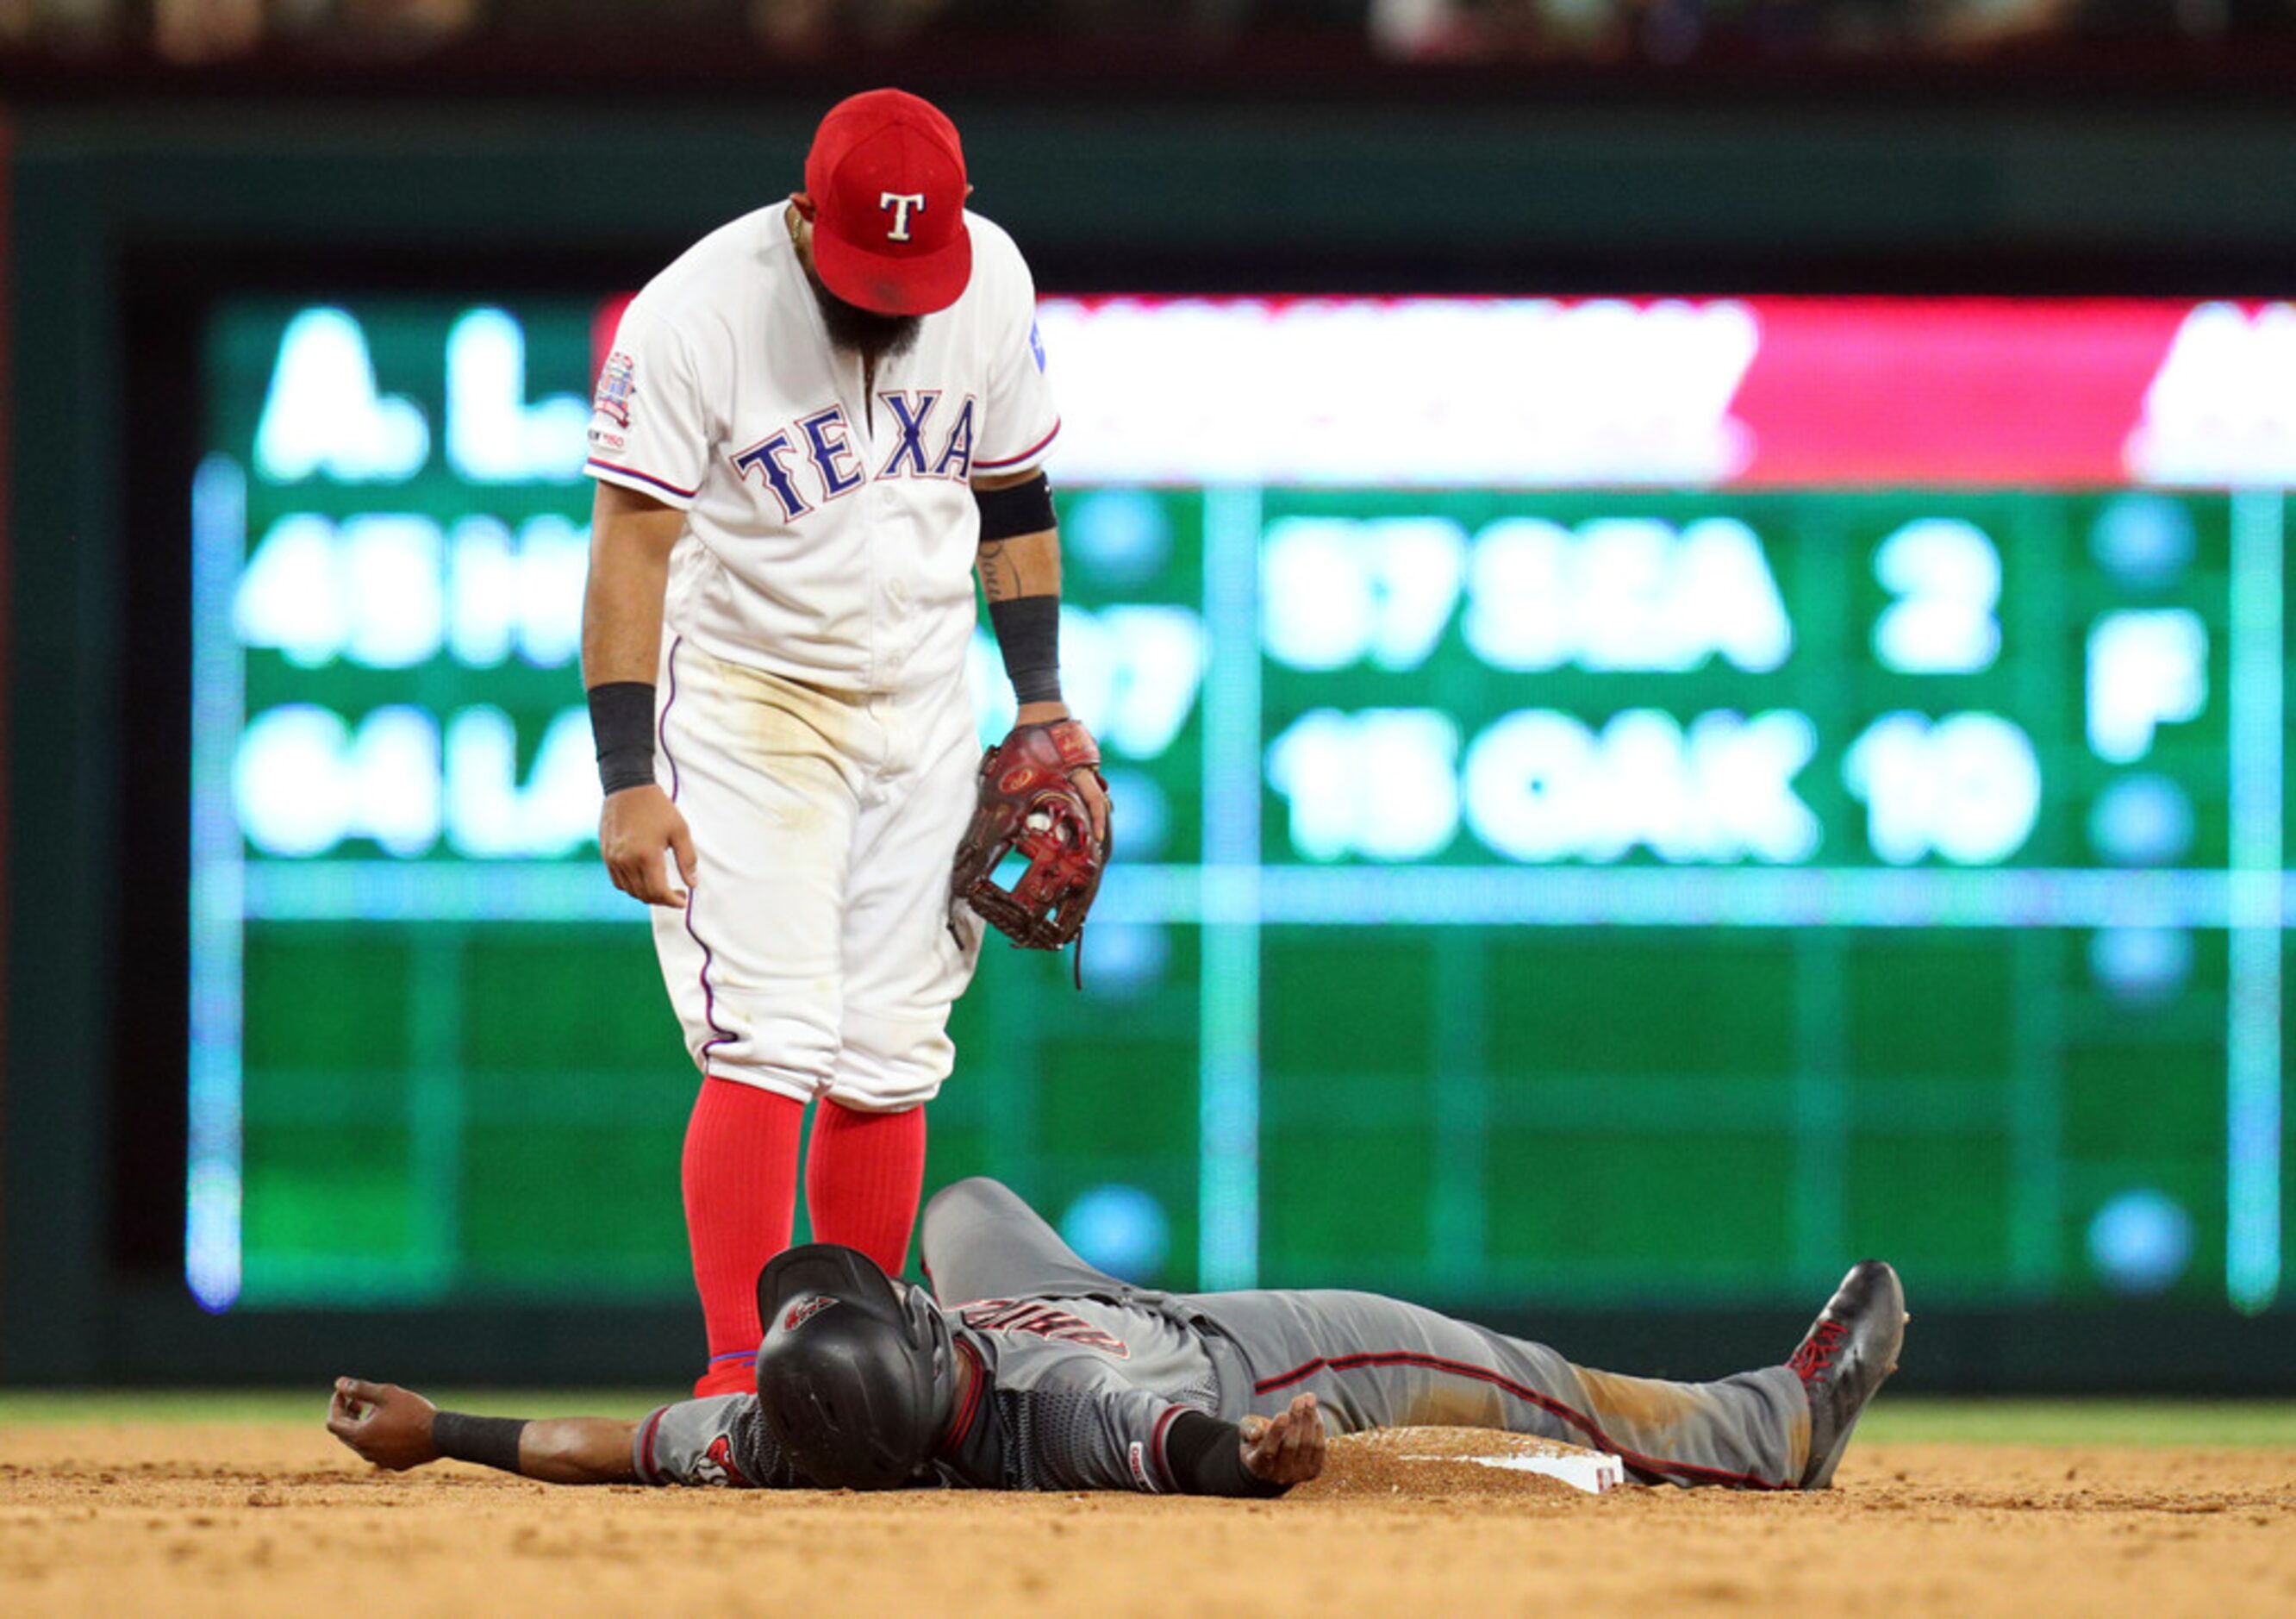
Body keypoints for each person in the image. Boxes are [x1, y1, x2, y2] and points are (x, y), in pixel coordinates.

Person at [578, 89, 1109, 1399]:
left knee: (888, 1045)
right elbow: (629, 549)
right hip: (755, 707)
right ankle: (737, 1384)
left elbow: (1016, 495)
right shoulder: (696, 314)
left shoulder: (987, 282)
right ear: (807, 215)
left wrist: (1039, 698)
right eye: (867, 263)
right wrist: (628, 775)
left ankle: (853, 1376)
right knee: (767, 1033)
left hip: (924, 696)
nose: (893, 293)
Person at [328, 1178, 1906, 1497]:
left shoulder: (786, 1439)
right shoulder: (1061, 1413)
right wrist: (1271, 1453)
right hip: (1234, 1348)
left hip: (1065, 1290)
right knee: (1522, 1377)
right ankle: (1761, 1425)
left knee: (968, 1198)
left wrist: (440, 1428)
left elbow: (606, 1446)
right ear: (919, 1342)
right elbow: (1186, 1448)